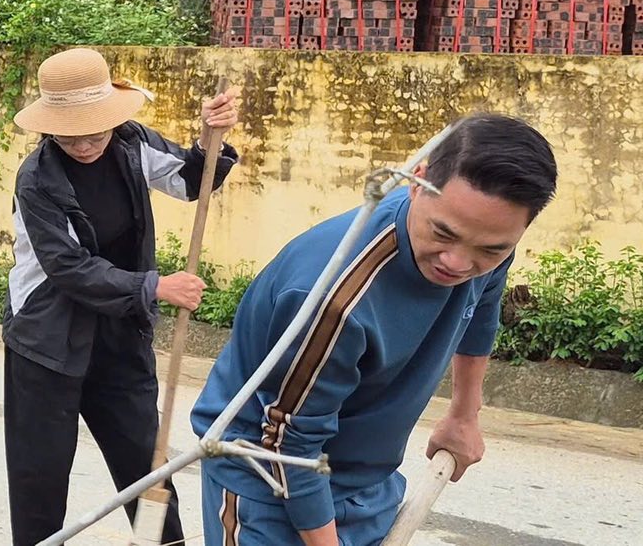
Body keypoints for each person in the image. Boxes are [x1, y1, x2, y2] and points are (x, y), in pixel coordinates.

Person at [191, 114, 556, 546]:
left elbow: (481, 309)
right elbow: (289, 447)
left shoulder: (487, 242)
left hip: (367, 481)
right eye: (443, 233)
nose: (458, 263)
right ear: (417, 182)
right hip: (265, 483)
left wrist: (463, 415)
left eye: (491, 249)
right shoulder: (335, 297)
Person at [3, 47, 240, 546]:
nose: (86, 142)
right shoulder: (37, 179)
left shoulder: (131, 143)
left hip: (118, 334)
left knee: (146, 468)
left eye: (96, 128)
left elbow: (190, 178)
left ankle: (163, 544)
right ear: (50, 127)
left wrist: (207, 138)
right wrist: (155, 286)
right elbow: (69, 269)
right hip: (47, 340)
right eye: (70, 132)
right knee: (38, 478)